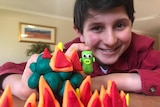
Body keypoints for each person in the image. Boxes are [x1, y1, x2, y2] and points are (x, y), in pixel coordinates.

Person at [1, 0, 160, 100]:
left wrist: (110, 81)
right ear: (80, 33)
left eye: (120, 25)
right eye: (97, 27)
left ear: (131, 24)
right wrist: (18, 86)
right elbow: (7, 70)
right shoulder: (70, 52)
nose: (110, 40)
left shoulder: (141, 50)